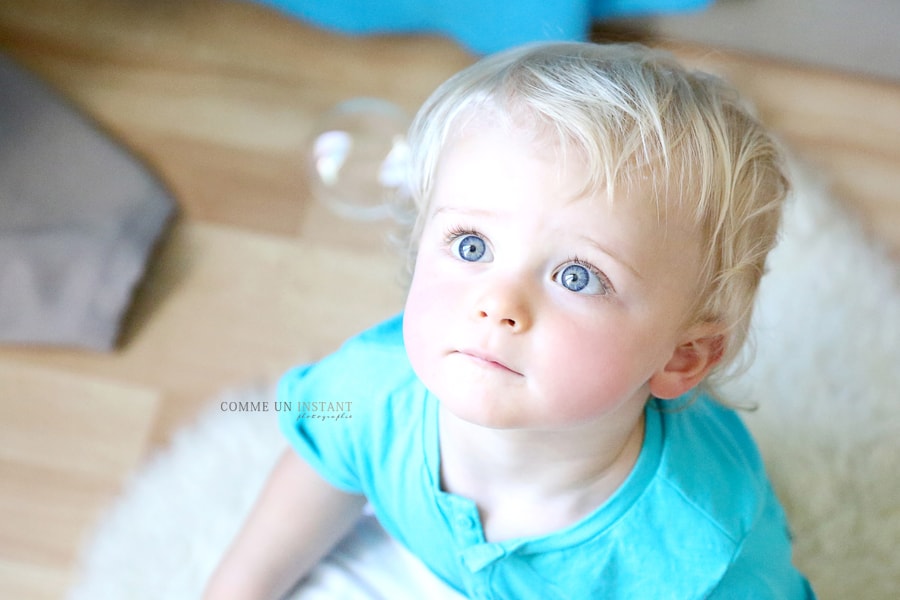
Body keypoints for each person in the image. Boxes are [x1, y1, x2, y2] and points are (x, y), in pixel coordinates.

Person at [205, 42, 815, 599]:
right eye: (472, 245)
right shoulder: (369, 390)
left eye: (577, 276)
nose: (499, 304)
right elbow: (320, 470)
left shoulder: (700, 545)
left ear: (682, 357)